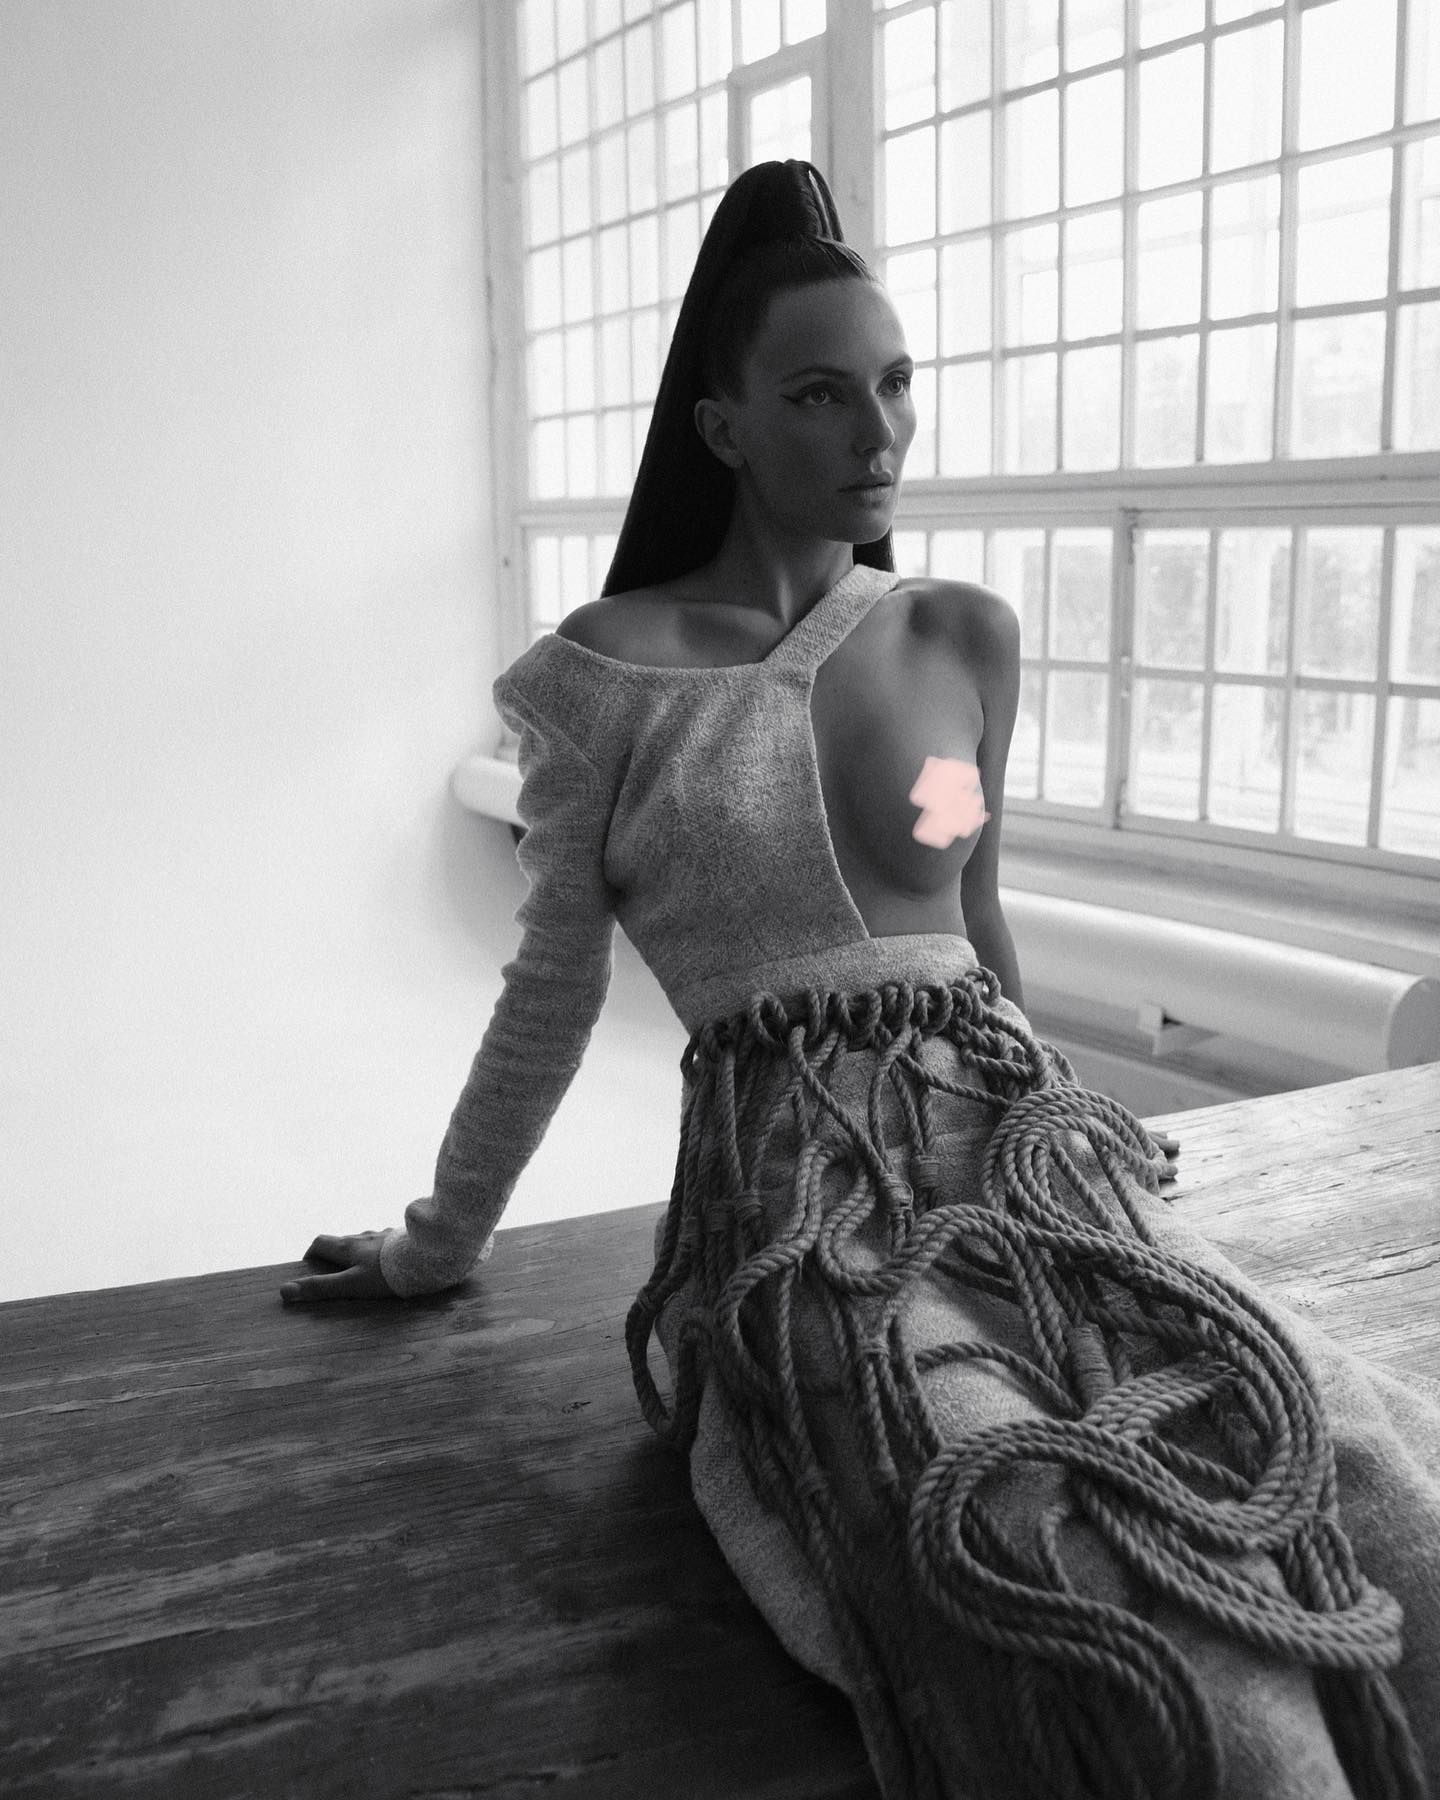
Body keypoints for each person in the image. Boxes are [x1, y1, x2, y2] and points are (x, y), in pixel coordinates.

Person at [280, 162, 1440, 1799]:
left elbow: (970, 906)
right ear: (725, 426)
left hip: (1020, 1153)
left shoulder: (961, 638)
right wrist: (435, 1243)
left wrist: (1073, 1123)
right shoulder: (602, 678)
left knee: (1331, 1445)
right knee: (1007, 1514)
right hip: (802, 1190)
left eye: (896, 385)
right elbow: (549, 989)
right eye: (821, 395)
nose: (878, 432)